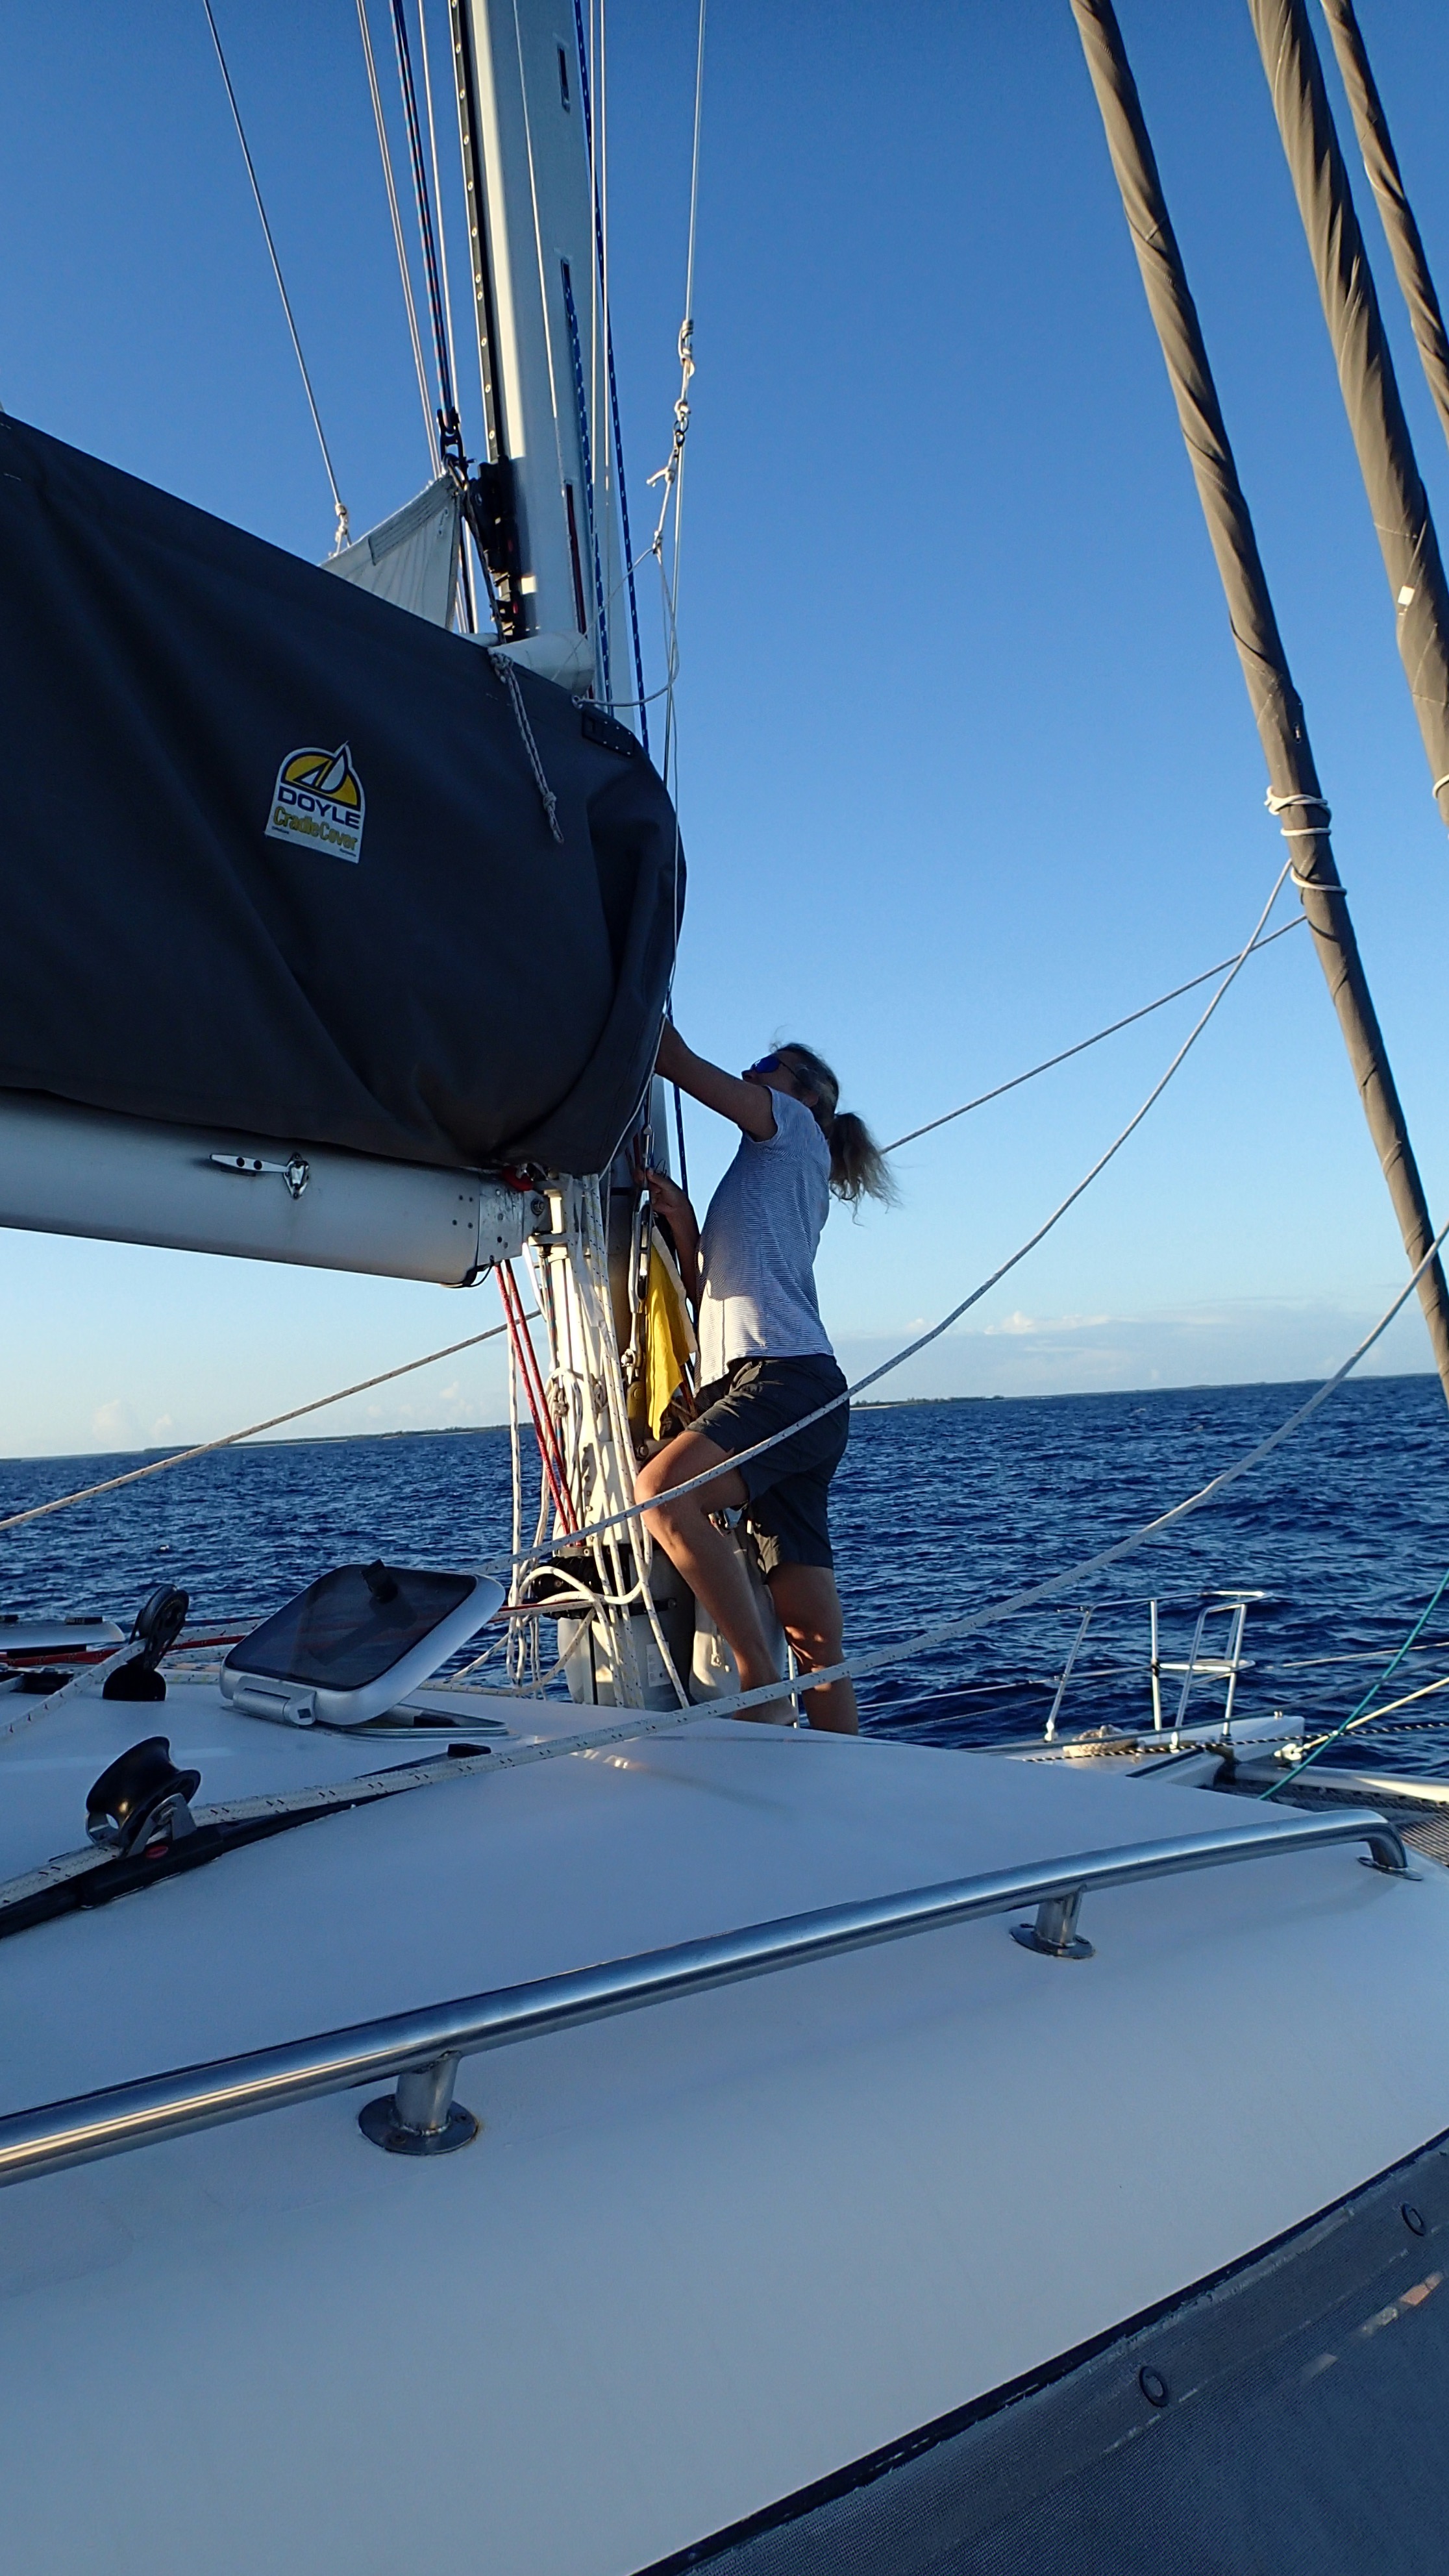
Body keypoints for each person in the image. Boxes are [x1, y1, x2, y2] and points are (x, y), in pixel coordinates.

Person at [634, 1022, 894, 1732]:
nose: (752, 1073)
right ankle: (844, 1771)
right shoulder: (771, 1173)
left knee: (662, 1495)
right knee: (814, 1639)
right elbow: (714, 1296)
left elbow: (676, 1060)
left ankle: (759, 1684)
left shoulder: (794, 1130)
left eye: (767, 1065)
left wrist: (641, 1000)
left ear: (806, 1096)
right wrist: (685, 1225)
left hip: (780, 1380)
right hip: (790, 1388)